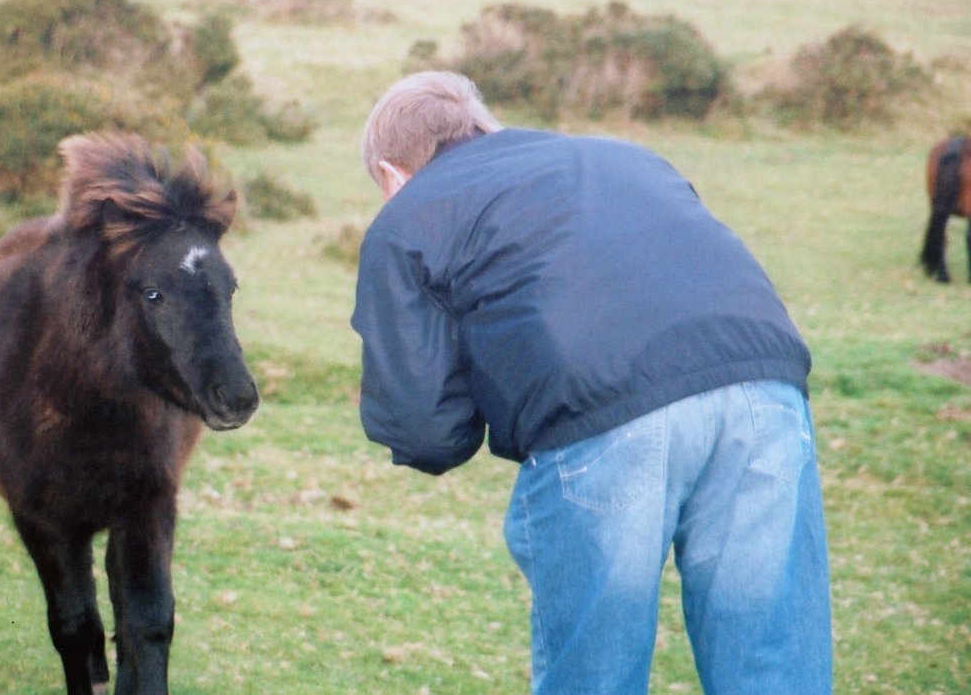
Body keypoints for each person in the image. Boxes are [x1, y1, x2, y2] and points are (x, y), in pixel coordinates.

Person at [350, 71, 831, 694]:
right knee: (771, 661)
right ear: (484, 127)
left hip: (605, 420)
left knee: (594, 674)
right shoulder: (624, 155)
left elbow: (425, 430)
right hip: (767, 389)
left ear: (391, 176)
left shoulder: (408, 214)